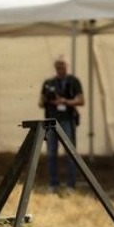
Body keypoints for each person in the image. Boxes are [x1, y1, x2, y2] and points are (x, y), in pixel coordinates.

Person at [39, 55, 84, 192]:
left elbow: (81, 100)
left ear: (66, 67)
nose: (60, 69)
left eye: (62, 66)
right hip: (51, 122)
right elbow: (41, 102)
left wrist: (65, 101)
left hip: (67, 120)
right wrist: (51, 100)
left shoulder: (73, 81)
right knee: (51, 153)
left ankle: (71, 185)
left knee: (70, 153)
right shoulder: (48, 83)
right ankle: (53, 184)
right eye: (58, 66)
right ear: (55, 67)